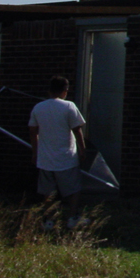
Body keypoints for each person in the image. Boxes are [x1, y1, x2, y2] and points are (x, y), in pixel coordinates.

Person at [29, 75, 88, 229]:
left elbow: (33, 131)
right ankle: (72, 217)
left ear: (49, 90)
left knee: (48, 192)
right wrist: (82, 150)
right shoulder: (69, 106)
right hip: (66, 157)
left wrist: (35, 153)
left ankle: (48, 220)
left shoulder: (38, 107)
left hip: (46, 158)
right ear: (65, 91)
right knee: (73, 189)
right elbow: (77, 130)